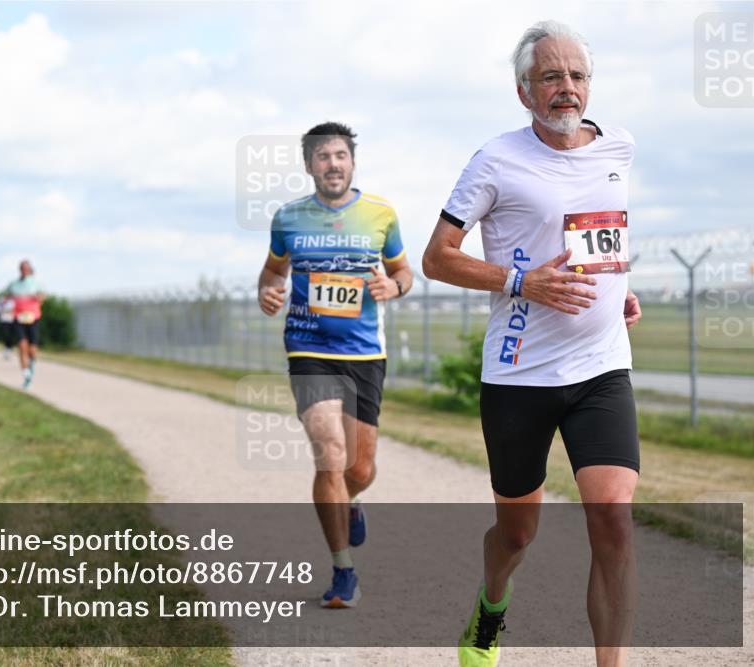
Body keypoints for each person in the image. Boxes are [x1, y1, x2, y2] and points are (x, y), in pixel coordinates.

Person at [421, 21, 643, 667]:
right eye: (550, 76)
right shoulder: (497, 159)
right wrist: (522, 281)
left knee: (613, 514)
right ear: (524, 91)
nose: (566, 88)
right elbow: (439, 257)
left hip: (601, 368)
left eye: (576, 75)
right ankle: (492, 603)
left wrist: (618, 288)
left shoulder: (620, 146)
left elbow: (603, 235)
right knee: (518, 532)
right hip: (520, 375)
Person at [257, 122, 412, 609]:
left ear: (352, 161)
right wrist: (267, 291)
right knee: (329, 454)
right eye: (323, 157)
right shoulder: (288, 218)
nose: (333, 164)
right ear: (309, 165)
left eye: (340, 155)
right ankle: (343, 570)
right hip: (308, 346)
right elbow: (271, 272)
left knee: (360, 467)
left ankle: (353, 499)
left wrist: (395, 287)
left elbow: (403, 271)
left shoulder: (381, 214)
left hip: (365, 353)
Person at [4, 260, 45, 388]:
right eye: (22, 268)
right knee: (22, 346)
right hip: (18, 318)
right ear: (20, 270)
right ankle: (26, 375)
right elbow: (6, 297)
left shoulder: (36, 283)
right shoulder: (14, 284)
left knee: (32, 350)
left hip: (33, 318)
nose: (24, 271)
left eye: (26, 268)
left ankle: (31, 364)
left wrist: (38, 298)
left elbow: (42, 297)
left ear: (30, 270)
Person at [0, 294, 16, 360]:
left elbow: (14, 310)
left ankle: (9, 349)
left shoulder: (14, 300)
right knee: (6, 335)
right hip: (4, 320)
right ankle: (6, 348)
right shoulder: (1, 300)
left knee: (11, 336)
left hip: (12, 321)